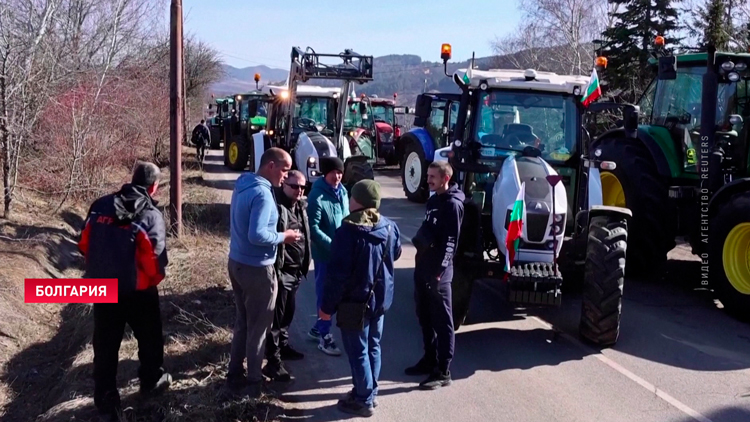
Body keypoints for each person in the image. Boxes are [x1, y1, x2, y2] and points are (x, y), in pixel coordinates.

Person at [77, 161, 171, 420]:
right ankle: (151, 381)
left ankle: (107, 401)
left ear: (132, 179)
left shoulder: (99, 206)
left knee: (105, 345)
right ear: (154, 187)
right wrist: (146, 282)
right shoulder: (151, 215)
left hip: (102, 288)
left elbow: (84, 244)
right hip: (138, 291)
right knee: (150, 338)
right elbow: (155, 261)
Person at [320, 180, 402, 417]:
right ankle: (367, 392)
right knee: (373, 347)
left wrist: (326, 308)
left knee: (358, 351)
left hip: (355, 303)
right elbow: (395, 254)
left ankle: (364, 399)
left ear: (357, 201)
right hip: (380, 301)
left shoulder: (347, 232)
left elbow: (337, 277)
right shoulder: (389, 226)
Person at [226, 147, 300, 398]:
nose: (286, 176)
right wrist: (285, 236)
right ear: (270, 165)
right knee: (258, 328)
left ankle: (234, 374)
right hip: (257, 270)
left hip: (236, 263)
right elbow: (257, 234)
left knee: (243, 323)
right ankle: (254, 383)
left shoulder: (243, 184)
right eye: (284, 170)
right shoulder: (264, 195)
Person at [405, 160, 465, 390]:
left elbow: (451, 242)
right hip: (424, 268)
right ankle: (429, 358)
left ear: (445, 178)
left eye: (432, 177)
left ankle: (443, 370)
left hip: (438, 273)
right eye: (428, 175)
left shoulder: (452, 205)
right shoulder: (433, 200)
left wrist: (440, 271)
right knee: (424, 316)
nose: (428, 179)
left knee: (442, 320)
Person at [263, 170, 311, 382]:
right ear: (284, 185)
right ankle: (272, 362)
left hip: (296, 270)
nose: (299, 190)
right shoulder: (277, 207)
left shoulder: (300, 206)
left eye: (302, 187)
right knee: (276, 318)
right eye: (294, 186)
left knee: (288, 313)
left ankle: (283, 347)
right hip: (281, 271)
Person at [307, 156, 349, 356]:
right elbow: (313, 229)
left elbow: (347, 217)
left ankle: (318, 327)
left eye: (340, 172)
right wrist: (333, 246)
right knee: (325, 295)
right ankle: (324, 336)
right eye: (334, 172)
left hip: (342, 252)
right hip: (325, 254)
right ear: (326, 173)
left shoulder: (343, 191)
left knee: (340, 292)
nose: (338, 176)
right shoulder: (317, 196)